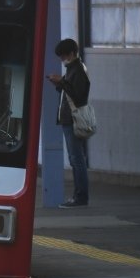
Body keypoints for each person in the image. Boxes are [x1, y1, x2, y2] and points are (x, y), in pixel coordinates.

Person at [47, 38, 91, 208]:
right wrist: (59, 83)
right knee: (76, 159)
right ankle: (79, 196)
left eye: (63, 55)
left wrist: (62, 82)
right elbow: (70, 92)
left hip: (73, 119)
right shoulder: (73, 69)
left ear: (71, 53)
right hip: (69, 119)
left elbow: (79, 97)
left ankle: (80, 197)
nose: (61, 59)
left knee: (76, 159)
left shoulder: (78, 70)